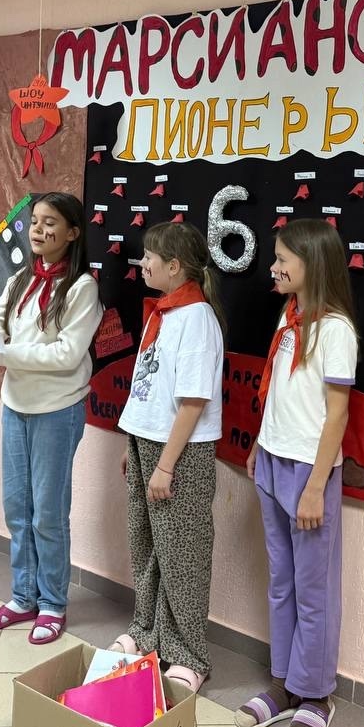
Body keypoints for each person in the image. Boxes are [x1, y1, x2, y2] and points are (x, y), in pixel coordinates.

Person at [0, 192, 102, 644]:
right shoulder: (19, 280)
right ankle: (23, 596)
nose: (39, 230)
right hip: (16, 406)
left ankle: (52, 604)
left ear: (72, 233)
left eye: (51, 223)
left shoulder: (82, 288)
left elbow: (67, 355)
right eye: (35, 222)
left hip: (57, 410)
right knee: (17, 507)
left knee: (48, 512)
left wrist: (4, 354)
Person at [237, 219, 357, 727]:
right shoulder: (288, 319)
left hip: (310, 473)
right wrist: (259, 446)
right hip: (272, 462)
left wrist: (314, 486)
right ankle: (283, 684)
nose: (274, 267)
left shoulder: (335, 330)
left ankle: (316, 694)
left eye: (283, 259)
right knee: (281, 581)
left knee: (313, 589)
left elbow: (336, 415)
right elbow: (281, 396)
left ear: (314, 262)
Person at [109, 222, 225, 693]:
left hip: (179, 452)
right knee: (147, 544)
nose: (142, 264)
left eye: (150, 257)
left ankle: (188, 653)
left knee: (183, 554)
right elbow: (148, 387)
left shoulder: (196, 317)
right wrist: (131, 444)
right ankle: (147, 633)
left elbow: (193, 401)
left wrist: (165, 465)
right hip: (147, 442)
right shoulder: (163, 311)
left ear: (174, 266)